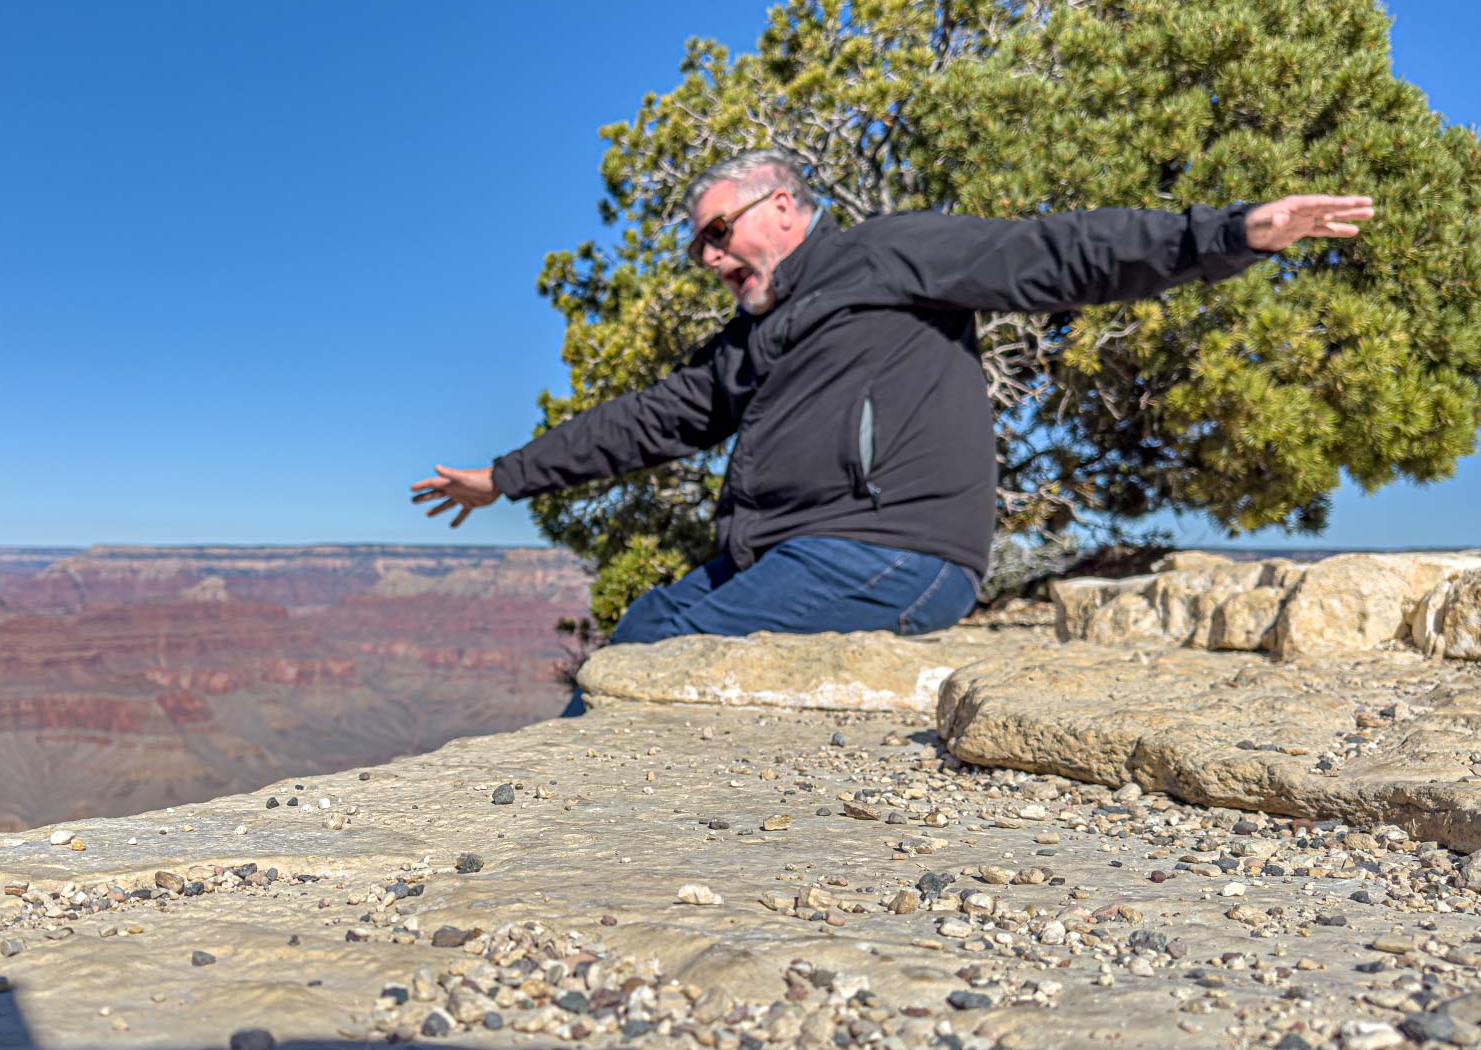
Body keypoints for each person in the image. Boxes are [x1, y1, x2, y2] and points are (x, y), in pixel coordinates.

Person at [413, 150, 1371, 704]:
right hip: (787, 555)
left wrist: (1230, 232)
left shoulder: (887, 254)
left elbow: (1052, 255)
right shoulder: (751, 338)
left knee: (660, 665)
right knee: (646, 626)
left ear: (781, 206)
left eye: (718, 232)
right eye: (699, 245)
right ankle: (570, 804)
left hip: (889, 552)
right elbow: (649, 419)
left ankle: (584, 826)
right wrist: (504, 477)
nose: (708, 257)